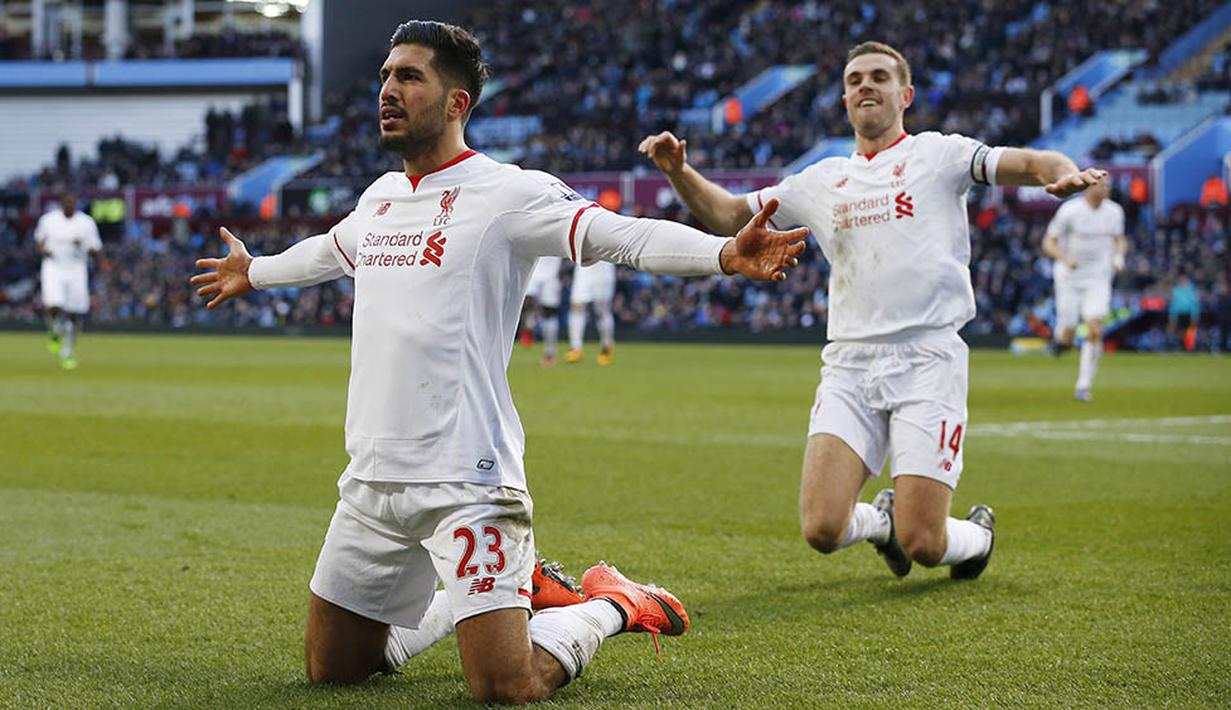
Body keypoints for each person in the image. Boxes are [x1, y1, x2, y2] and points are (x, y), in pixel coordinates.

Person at [191, 21, 806, 705]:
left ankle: (612, 605)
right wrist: (256, 272)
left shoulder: (506, 194)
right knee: (332, 669)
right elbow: (326, 252)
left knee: (505, 686)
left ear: (457, 103)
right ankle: (482, 598)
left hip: (467, 482)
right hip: (371, 479)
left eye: (409, 77)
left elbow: (618, 236)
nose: (387, 90)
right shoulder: (381, 198)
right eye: (385, 76)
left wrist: (721, 255)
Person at [639, 41, 1106, 582]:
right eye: (856, 78)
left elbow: (1027, 162)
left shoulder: (939, 155)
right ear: (844, 99)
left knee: (926, 542)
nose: (866, 85)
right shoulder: (821, 180)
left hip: (927, 357)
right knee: (821, 529)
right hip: (850, 363)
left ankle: (976, 539)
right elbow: (726, 214)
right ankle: (879, 524)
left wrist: (1063, 171)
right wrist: (679, 171)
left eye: (879, 77)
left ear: (905, 95)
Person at [1042, 177, 1127, 401]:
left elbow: (1119, 240)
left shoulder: (1115, 212)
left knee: (1095, 328)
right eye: (1101, 184)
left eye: (1108, 184)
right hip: (1069, 277)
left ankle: (1083, 385)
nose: (1106, 188)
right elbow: (1048, 243)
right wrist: (1064, 258)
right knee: (1068, 331)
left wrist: (1118, 257)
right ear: (1088, 188)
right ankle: (1062, 342)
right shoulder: (1069, 211)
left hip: (1098, 277)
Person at [34, 192, 102, 370]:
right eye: (67, 202)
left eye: (72, 202)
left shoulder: (86, 223)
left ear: (76, 204)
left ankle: (68, 351)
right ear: (61, 203)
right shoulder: (48, 220)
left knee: (74, 312)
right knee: (53, 305)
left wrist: (84, 245)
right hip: (53, 266)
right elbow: (39, 242)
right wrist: (44, 251)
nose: (69, 205)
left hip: (77, 268)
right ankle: (55, 330)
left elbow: (97, 251)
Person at [565, 261, 617, 365]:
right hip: (583, 267)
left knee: (602, 311)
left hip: (603, 266)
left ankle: (606, 347)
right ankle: (575, 348)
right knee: (576, 306)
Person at [519, 255, 564, 366]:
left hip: (551, 275)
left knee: (549, 313)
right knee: (526, 302)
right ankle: (528, 326)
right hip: (533, 271)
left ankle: (550, 354)